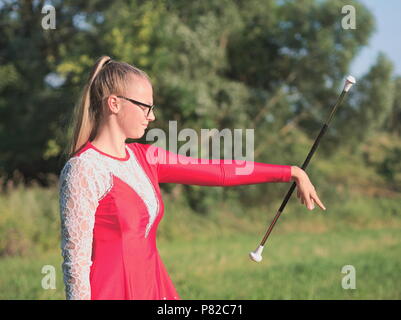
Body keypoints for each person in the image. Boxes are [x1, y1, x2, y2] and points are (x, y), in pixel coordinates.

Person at [58, 55, 326, 300]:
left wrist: (289, 172)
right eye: (144, 107)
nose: (152, 116)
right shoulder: (84, 168)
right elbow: (76, 263)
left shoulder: (145, 157)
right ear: (114, 104)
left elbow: (219, 171)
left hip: (154, 289)